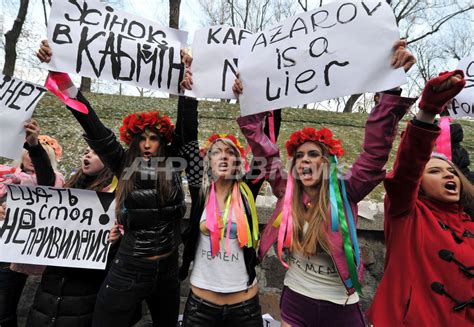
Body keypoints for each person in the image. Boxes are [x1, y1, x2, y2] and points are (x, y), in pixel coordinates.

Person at [234, 40, 416, 327]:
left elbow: (374, 153)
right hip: (295, 301)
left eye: (314, 154)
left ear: (328, 162)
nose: (305, 160)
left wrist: (391, 90)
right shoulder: (286, 189)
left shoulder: (349, 189)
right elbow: (263, 149)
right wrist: (248, 104)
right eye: (300, 155)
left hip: (340, 306)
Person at [36, 40, 199, 326]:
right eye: (142, 139)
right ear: (134, 141)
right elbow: (93, 125)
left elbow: (188, 129)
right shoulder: (122, 162)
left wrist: (188, 88)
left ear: (163, 141)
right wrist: (63, 78)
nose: (148, 145)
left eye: (154, 138)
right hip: (129, 269)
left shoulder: (174, 162)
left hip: (167, 273)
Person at [366, 71, 473, 326]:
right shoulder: (407, 215)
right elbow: (408, 168)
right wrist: (427, 112)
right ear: (420, 185)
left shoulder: (470, 224)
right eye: (434, 171)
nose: (449, 176)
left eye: (452, 172)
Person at [179, 132, 263, 327]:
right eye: (217, 152)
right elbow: (188, 133)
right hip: (200, 309)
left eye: (230, 152)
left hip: (244, 309)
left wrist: (259, 105)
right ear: (208, 160)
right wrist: (189, 99)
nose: (224, 156)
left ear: (237, 161)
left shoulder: (247, 190)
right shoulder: (199, 191)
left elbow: (265, 147)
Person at [26, 147, 115, 327]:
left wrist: (113, 239)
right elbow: (46, 182)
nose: (87, 155)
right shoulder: (66, 190)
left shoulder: (114, 200)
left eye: (96, 152)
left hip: (85, 292)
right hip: (50, 290)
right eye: (86, 151)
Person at [0, 122, 64, 327]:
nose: (32, 158)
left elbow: (46, 181)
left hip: (17, 252)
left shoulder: (54, 180)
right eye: (27, 151)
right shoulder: (6, 176)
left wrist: (36, 146)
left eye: (39, 155)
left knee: (4, 308)